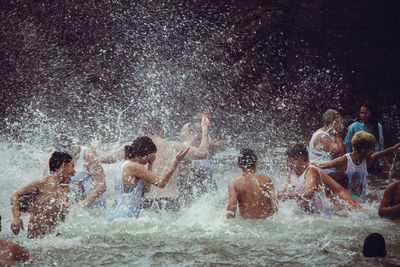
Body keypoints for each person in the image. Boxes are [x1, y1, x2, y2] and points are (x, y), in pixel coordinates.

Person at [92, 113, 211, 211]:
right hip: (170, 201)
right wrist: (205, 130)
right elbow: (203, 153)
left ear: (143, 131)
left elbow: (104, 159)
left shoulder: (133, 147)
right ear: (161, 131)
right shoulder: (173, 146)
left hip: (144, 202)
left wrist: (96, 147)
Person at [108, 136, 189, 221]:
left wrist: (150, 164)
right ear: (147, 155)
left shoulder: (124, 165)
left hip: (116, 213)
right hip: (125, 215)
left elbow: (147, 189)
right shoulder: (136, 167)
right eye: (152, 156)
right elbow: (161, 183)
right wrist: (176, 161)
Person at [10, 152, 75, 238]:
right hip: (34, 238)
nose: (74, 172)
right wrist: (16, 218)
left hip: (55, 238)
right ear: (63, 166)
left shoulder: (66, 188)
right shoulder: (42, 183)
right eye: (72, 166)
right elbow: (15, 195)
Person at [319, 131, 400, 198]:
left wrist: (393, 148)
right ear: (364, 150)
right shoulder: (345, 160)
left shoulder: (366, 161)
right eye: (372, 149)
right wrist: (310, 166)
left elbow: (379, 154)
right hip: (346, 198)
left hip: (361, 198)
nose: (373, 151)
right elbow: (328, 164)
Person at [54, 133, 106, 213]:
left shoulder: (88, 154)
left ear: (72, 146)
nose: (67, 156)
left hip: (93, 205)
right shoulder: (59, 157)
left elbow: (102, 186)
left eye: (68, 151)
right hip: (74, 204)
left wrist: (81, 204)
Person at [179, 110, 225, 200]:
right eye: (206, 114)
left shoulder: (206, 127)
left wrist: (215, 145)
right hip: (193, 166)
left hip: (205, 166)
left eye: (209, 114)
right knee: (197, 193)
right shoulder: (188, 127)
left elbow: (209, 151)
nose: (208, 116)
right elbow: (184, 146)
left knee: (213, 194)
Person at [226, 149, 278, 219]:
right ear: (256, 163)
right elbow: (275, 207)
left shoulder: (234, 184)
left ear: (238, 165)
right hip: (265, 223)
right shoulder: (267, 180)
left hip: (247, 225)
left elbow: (232, 207)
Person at [344, 101, 391, 173]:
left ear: (372, 114)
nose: (362, 116)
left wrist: (386, 163)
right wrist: (351, 162)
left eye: (366, 113)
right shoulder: (353, 127)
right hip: (359, 164)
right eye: (361, 113)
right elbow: (347, 146)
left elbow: (381, 146)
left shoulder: (378, 127)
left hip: (374, 164)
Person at [308, 109, 347, 188]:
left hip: (327, 173)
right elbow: (340, 153)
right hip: (323, 174)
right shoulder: (322, 136)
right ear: (330, 123)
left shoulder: (327, 133)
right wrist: (338, 134)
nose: (341, 125)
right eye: (339, 122)